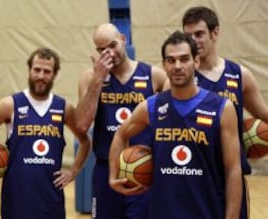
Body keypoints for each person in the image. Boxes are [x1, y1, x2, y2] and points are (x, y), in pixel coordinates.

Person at [109, 30, 243, 219]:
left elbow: (233, 170)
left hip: (207, 211)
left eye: (184, 59)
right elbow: (120, 134)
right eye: (171, 60)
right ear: (164, 65)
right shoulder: (151, 106)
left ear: (196, 62)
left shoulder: (222, 108)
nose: (177, 66)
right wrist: (113, 176)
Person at [180, 6, 268, 218]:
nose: (193, 40)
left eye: (199, 34)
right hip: (191, 176)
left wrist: (257, 138)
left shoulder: (239, 75)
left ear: (215, 33)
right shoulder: (178, 78)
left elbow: (264, 114)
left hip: (230, 177)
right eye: (188, 35)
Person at [0, 47, 91, 219]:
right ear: (29, 70)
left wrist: (73, 171)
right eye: (37, 70)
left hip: (51, 199)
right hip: (16, 198)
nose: (41, 76)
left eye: (47, 71)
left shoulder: (64, 108)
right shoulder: (8, 106)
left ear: (55, 74)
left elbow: (85, 142)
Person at [75, 23, 167, 219]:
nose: (108, 53)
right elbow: (82, 125)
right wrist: (98, 80)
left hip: (144, 168)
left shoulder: (154, 75)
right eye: (101, 50)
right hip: (105, 166)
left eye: (112, 45)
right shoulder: (89, 77)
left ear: (124, 40)